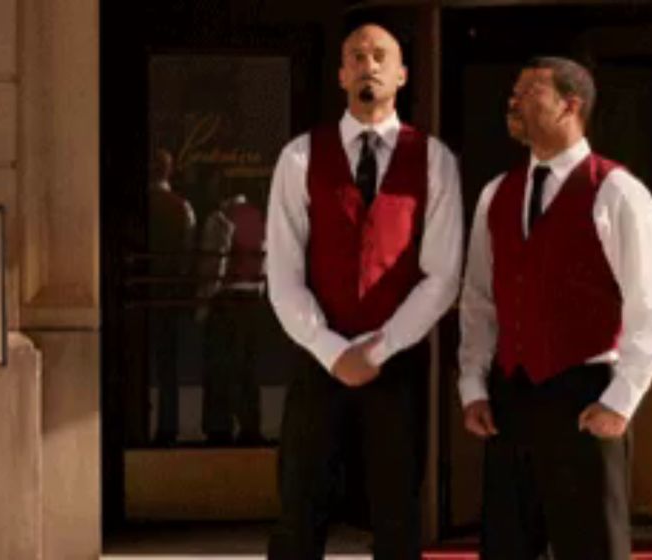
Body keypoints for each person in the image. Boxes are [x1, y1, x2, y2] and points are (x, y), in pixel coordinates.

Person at [265, 22, 463, 560]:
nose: (368, 64)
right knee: (300, 510)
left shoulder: (435, 160)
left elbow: (442, 275)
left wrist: (377, 349)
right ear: (341, 75)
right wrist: (334, 353)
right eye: (356, 56)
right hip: (317, 360)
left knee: (398, 515)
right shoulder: (300, 158)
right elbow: (282, 276)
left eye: (380, 56)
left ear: (401, 74)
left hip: (395, 364)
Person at [458, 57, 652, 560]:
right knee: (506, 547)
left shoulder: (617, 192)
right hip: (511, 396)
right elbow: (480, 300)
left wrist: (621, 401)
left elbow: (647, 310)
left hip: (585, 395)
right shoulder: (496, 194)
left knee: (591, 548)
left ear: (571, 105)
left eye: (529, 92)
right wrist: (472, 385)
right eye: (513, 92)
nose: (513, 101)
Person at [195, 176, 266, 446]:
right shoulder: (260, 219)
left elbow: (215, 266)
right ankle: (250, 425)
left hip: (226, 300)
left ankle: (219, 426)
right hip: (252, 299)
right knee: (248, 366)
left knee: (220, 366)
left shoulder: (220, 218)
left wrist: (203, 305)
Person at [146, 148, 196, 446]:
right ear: (169, 171)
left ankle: (137, 424)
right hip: (169, 294)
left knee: (137, 361)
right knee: (168, 366)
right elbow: (188, 255)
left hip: (142, 292)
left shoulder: (140, 206)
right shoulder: (182, 207)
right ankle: (168, 427)